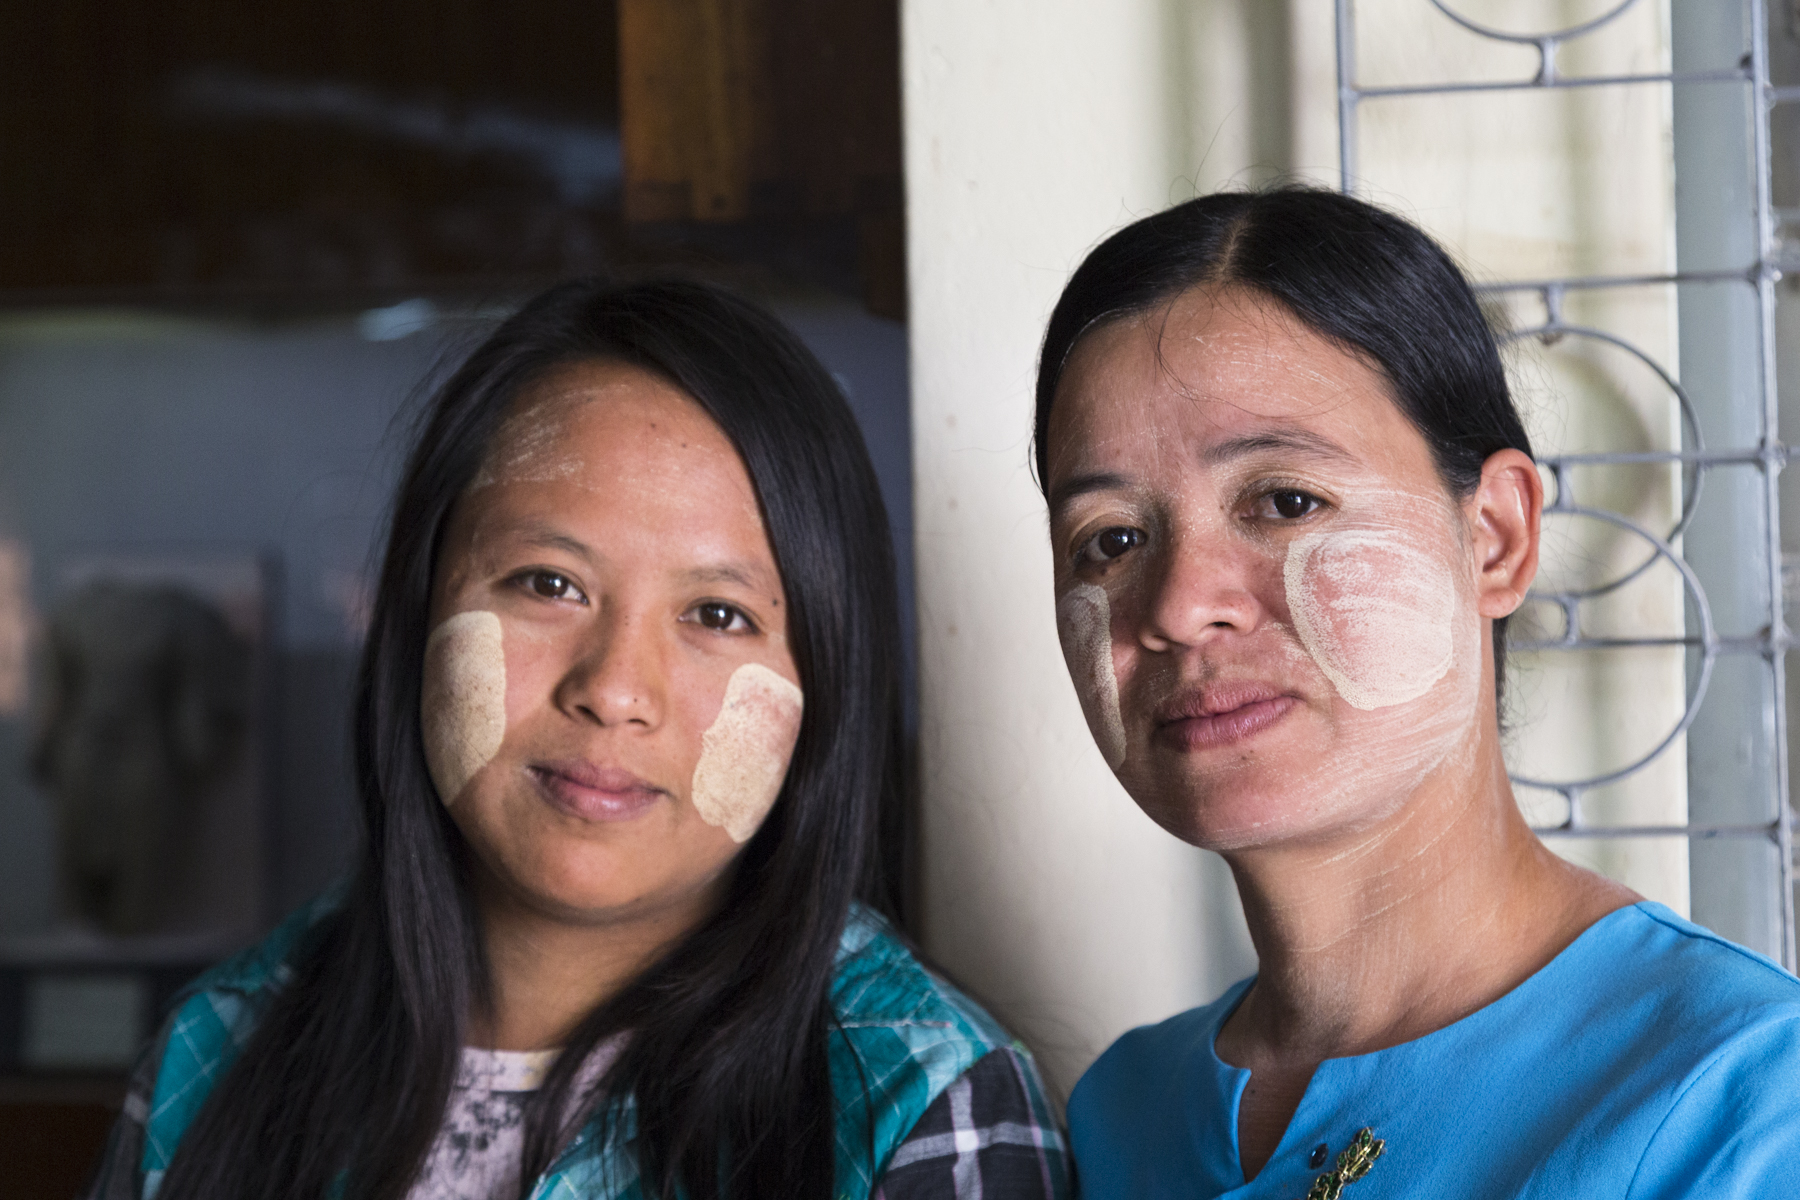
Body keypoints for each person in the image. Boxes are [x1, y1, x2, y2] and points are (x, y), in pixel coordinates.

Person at [87, 279, 1070, 1200]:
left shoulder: (921, 1102)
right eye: (548, 584)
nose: (612, 690)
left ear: (825, 679)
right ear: (419, 611)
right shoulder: (219, 1048)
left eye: (717, 615)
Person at [1035, 188, 1800, 1198]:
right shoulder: (1119, 1116)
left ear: (1495, 538)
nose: (1179, 607)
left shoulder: (1745, 1101)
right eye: (1112, 540)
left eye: (1285, 501)